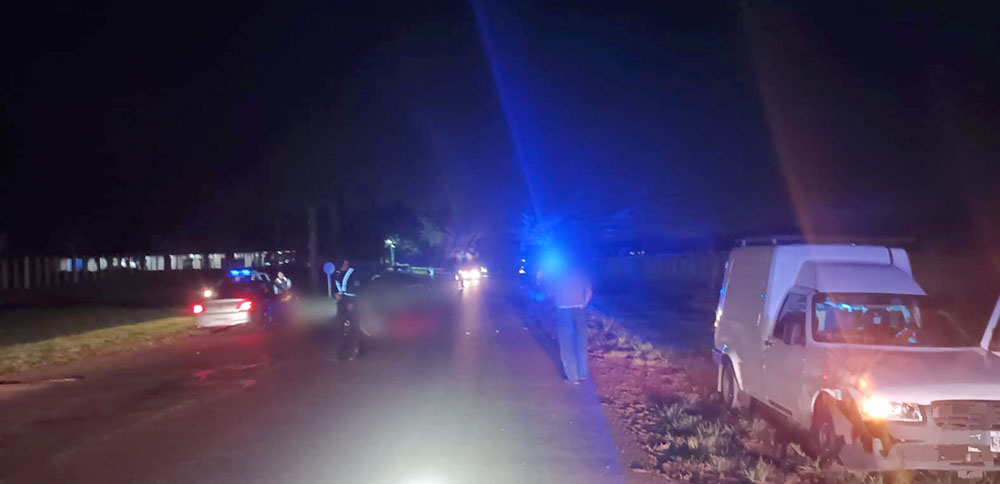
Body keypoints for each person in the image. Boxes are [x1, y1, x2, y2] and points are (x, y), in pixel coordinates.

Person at [547, 265, 593, 384]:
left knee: (566, 344)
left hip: (563, 310)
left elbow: (549, 293)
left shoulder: (557, 276)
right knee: (581, 342)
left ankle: (573, 376)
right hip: (579, 310)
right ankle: (582, 373)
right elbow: (589, 291)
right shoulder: (581, 274)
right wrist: (584, 304)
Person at [334, 257, 364, 361]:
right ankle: (340, 350)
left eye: (347, 263)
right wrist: (335, 294)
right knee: (339, 326)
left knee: (354, 326)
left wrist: (352, 302)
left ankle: (355, 349)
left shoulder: (353, 273)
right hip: (341, 302)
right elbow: (335, 287)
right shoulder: (337, 273)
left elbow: (357, 288)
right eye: (344, 264)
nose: (345, 265)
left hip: (351, 302)